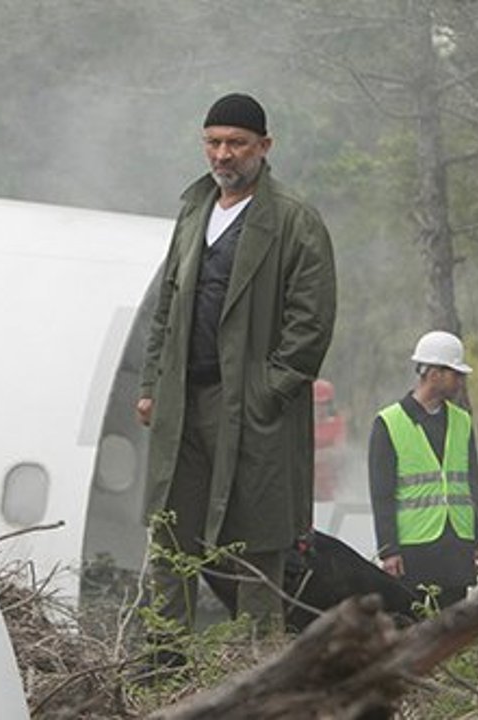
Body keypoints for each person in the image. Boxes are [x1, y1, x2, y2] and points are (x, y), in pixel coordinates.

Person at [136, 92, 337, 636]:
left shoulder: (295, 222)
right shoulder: (192, 212)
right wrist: (152, 384)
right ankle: (164, 659)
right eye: (214, 142)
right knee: (171, 532)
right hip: (183, 402)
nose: (223, 155)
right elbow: (167, 307)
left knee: (257, 541)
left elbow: (311, 324)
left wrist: (265, 393)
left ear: (264, 147)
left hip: (249, 407)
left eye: (236, 144)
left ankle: (254, 667)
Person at [368, 330, 478, 609]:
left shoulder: (462, 422)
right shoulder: (389, 422)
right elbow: (381, 494)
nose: (460, 381)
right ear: (434, 374)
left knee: (452, 633)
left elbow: (473, 486)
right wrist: (388, 551)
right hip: (414, 551)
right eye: (455, 374)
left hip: (456, 546)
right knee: (414, 630)